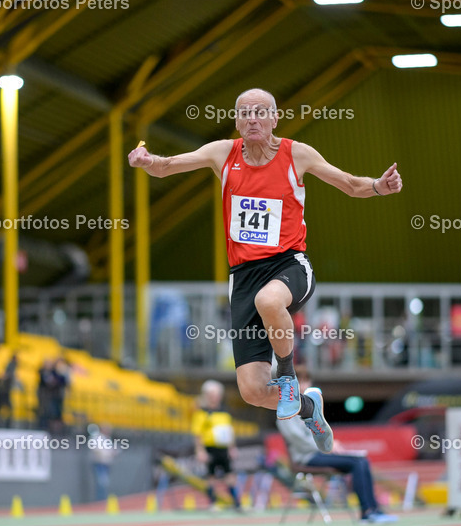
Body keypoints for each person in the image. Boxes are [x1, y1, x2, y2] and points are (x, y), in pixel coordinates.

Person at [129, 88, 402, 454]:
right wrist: (146, 160)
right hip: (243, 276)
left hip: (289, 264)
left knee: (269, 300)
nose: (253, 119)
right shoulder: (222, 153)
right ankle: (309, 406)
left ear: (274, 118)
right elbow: (166, 166)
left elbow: (351, 185)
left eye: (261, 112)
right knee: (254, 391)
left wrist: (379, 187)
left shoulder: (296, 154)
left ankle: (288, 377)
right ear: (237, 121)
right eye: (245, 113)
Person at [276, 370, 396, 523]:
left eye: (307, 381)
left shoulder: (310, 407)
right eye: (301, 382)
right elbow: (299, 439)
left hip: (320, 453)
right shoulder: (285, 411)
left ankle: (374, 509)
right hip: (307, 458)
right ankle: (366, 512)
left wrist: (330, 443)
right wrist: (326, 445)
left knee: (362, 460)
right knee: (356, 463)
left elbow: (321, 429)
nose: (305, 385)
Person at [191, 380, 242, 511]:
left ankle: (237, 503)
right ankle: (213, 502)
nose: (215, 397)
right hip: (210, 448)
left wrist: (232, 447)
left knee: (230, 475)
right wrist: (200, 451)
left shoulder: (224, 412)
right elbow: (198, 434)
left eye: (217, 394)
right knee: (211, 476)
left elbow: (230, 431)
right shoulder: (201, 413)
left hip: (223, 448)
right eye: (212, 394)